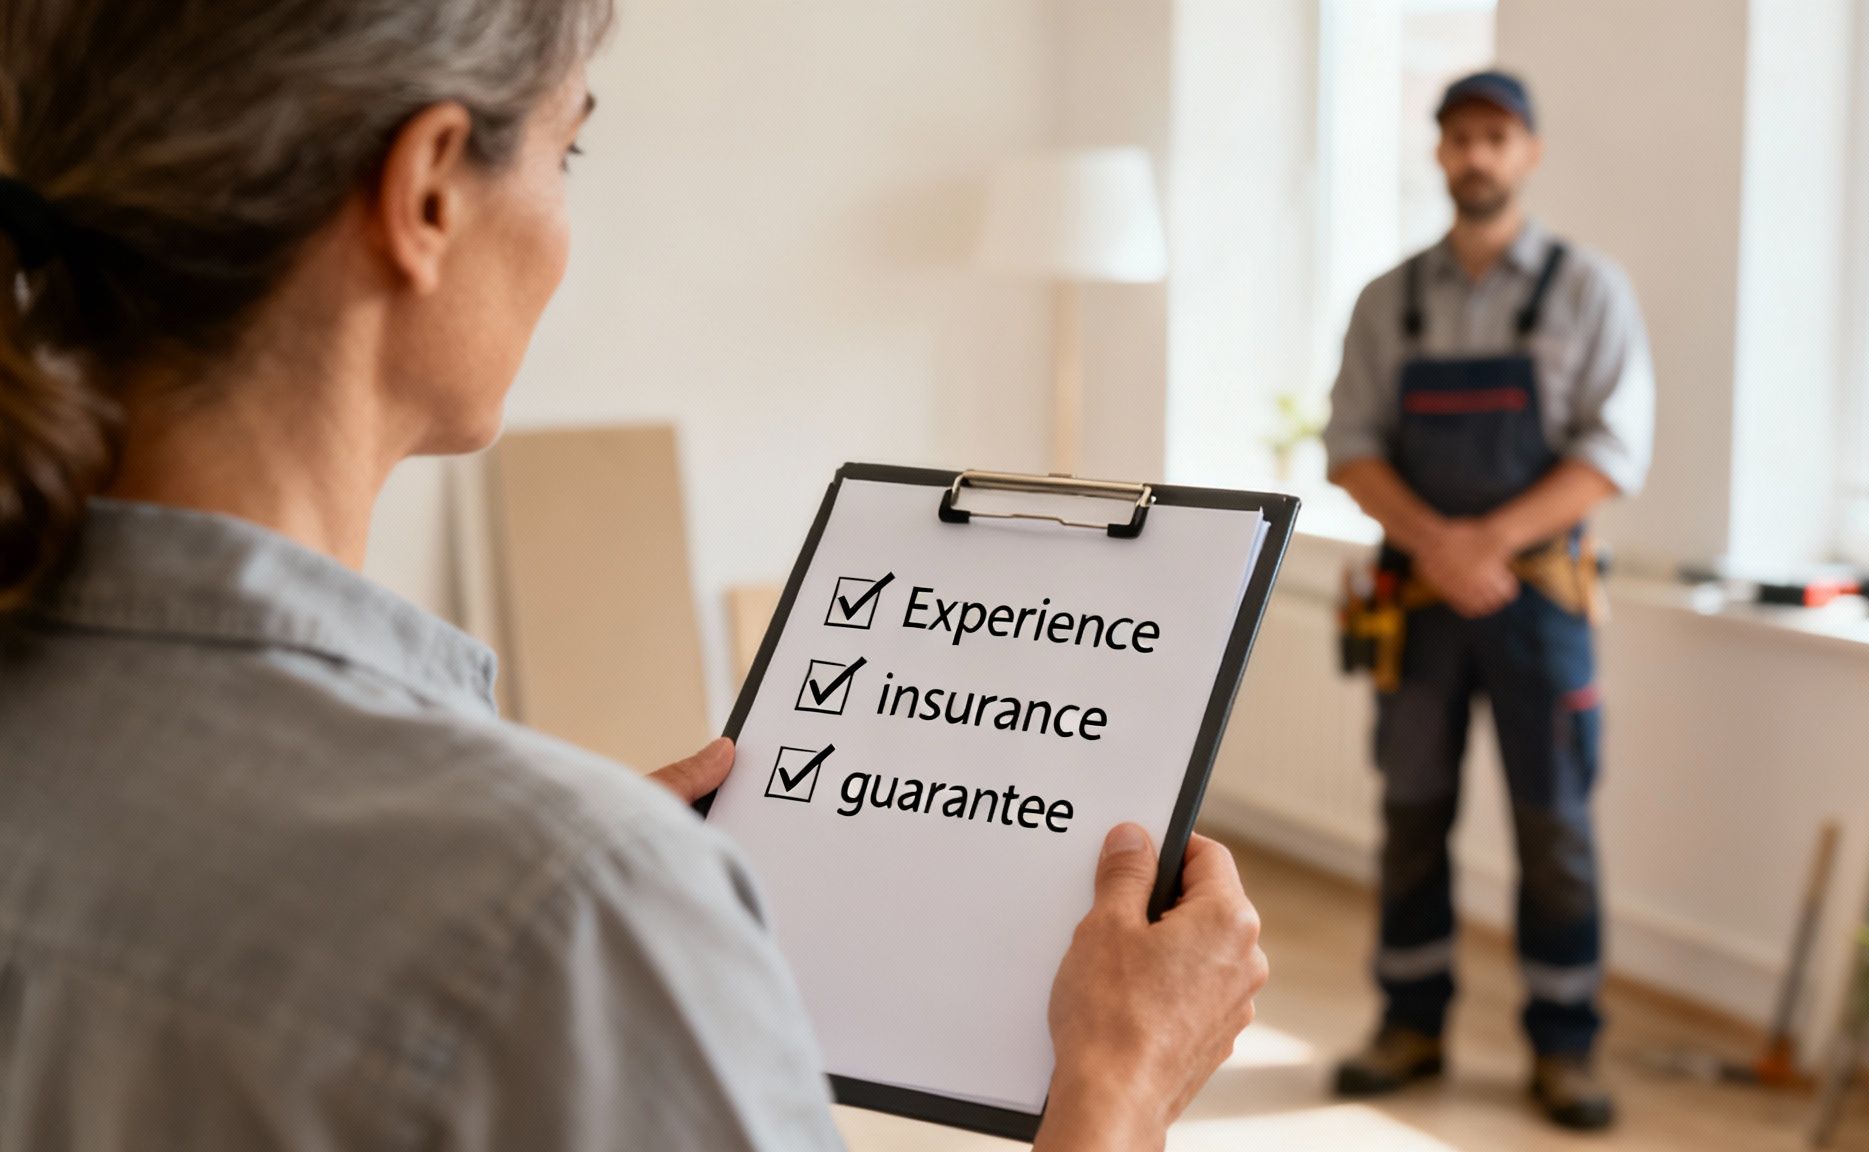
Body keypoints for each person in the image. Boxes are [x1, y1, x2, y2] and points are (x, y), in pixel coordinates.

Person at [0, 2, 1267, 1148]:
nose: (565, 225)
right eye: (568, 152)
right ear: (428, 188)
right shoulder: (562, 911)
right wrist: (1121, 1085)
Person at [1322, 71, 1654, 1130]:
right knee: (1410, 813)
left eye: (1495, 137)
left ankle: (1565, 1045)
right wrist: (1438, 549)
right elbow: (1351, 446)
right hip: (1414, 603)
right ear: (1437, 153)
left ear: (1528, 152)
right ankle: (1407, 1023)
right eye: (1459, 136)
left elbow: (1610, 450)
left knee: (1552, 826)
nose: (1476, 154)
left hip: (1539, 603)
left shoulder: (1584, 290)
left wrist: (1484, 546)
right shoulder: (1388, 299)